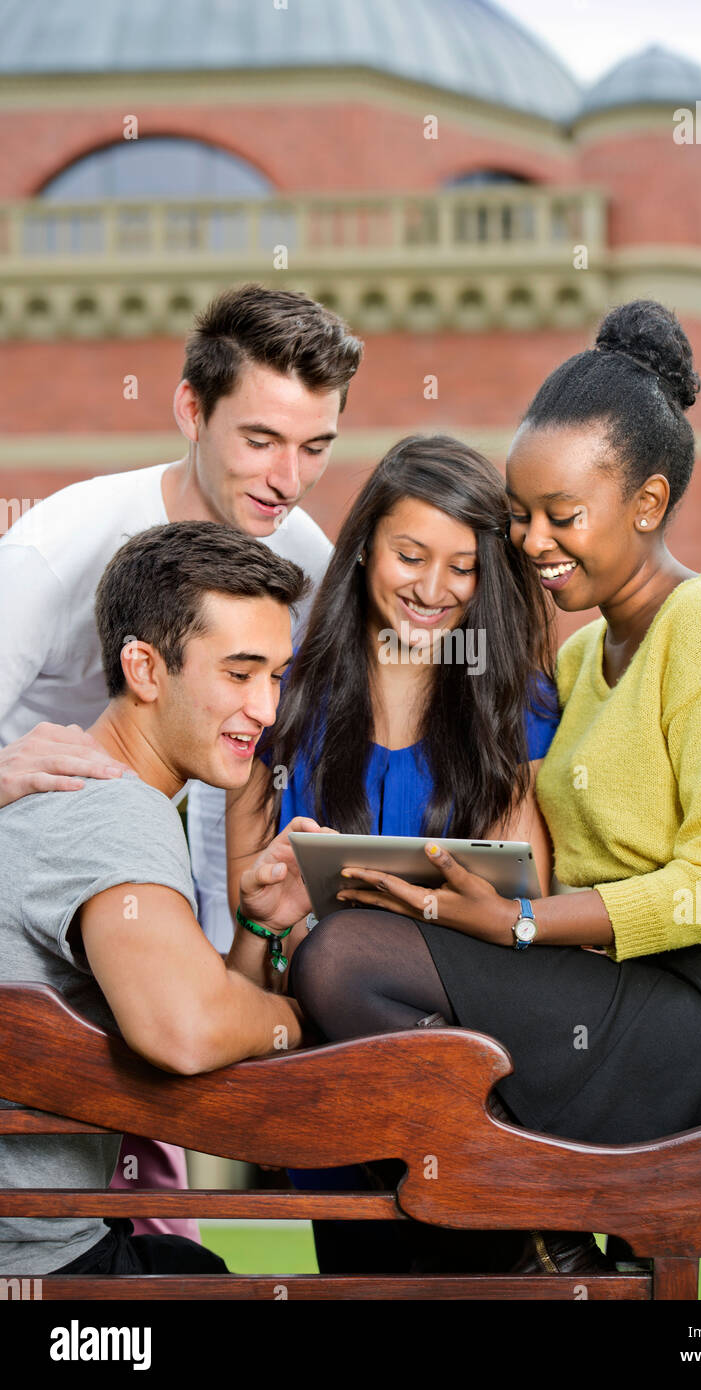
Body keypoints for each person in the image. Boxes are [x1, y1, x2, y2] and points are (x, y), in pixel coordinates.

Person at [283, 301, 701, 1276]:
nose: (532, 540)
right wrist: (471, 900)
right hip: (627, 990)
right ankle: (519, 1235)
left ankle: (520, 1218)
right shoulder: (584, 659)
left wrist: (522, 929)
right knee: (348, 961)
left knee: (346, 962)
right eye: (521, 512)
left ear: (647, 501)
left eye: (562, 514)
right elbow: (550, 871)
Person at [0, 283, 362, 1238]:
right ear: (190, 412)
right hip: (51, 874)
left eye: (315, 447)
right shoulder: (53, 549)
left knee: (164, 1203)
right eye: (260, 440)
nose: (288, 478)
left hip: (154, 871)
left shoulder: (302, 558)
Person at [225, 433, 560, 1271]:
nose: (433, 589)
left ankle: (514, 1214)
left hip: (477, 1073)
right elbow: (244, 962)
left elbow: (535, 912)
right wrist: (272, 926)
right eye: (410, 555)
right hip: (330, 1090)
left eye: (463, 566)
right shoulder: (284, 704)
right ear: (366, 543)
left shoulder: (514, 710)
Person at [0, 522, 321, 1277]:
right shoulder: (114, 809)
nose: (266, 709)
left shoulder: (75, 787)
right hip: (34, 1266)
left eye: (275, 675)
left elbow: (189, 1002)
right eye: (239, 674)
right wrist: (304, 1019)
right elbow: (185, 1028)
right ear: (144, 668)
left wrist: (252, 929)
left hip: (54, 1245)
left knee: (187, 1266)